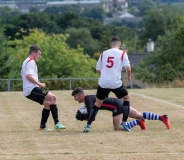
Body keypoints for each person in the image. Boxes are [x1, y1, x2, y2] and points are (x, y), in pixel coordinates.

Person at [83, 36, 131, 132]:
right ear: (119, 44)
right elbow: (128, 68)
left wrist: (105, 75)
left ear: (110, 44)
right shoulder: (122, 53)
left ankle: (88, 126)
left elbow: (97, 69)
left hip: (103, 82)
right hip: (115, 82)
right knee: (126, 98)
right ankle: (124, 123)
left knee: (98, 103)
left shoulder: (103, 53)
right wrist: (128, 76)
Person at [72, 87, 171, 131]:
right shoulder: (90, 98)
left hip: (116, 107)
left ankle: (137, 122)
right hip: (119, 102)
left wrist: (83, 117)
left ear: (80, 95)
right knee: (139, 115)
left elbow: (92, 117)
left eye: (75, 97)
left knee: (118, 129)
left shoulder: (88, 100)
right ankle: (161, 117)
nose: (75, 99)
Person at [21, 45, 66, 131]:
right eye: (38, 54)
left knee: (48, 104)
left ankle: (42, 126)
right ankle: (57, 123)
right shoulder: (31, 61)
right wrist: (39, 84)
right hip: (32, 89)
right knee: (53, 97)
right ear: (33, 53)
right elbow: (28, 76)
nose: (40, 56)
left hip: (29, 90)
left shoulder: (26, 61)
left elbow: (23, 74)